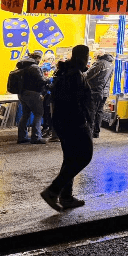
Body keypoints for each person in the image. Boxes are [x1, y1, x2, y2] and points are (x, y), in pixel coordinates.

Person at [40, 45, 94, 211]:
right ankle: (53, 190)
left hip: (62, 121)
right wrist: (84, 121)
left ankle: (66, 196)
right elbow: (76, 101)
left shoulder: (67, 71)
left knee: (70, 158)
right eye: (87, 55)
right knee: (85, 155)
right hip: (74, 122)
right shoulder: (75, 75)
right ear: (84, 56)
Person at [17, 52, 48, 144]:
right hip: (33, 93)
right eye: (40, 58)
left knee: (25, 114)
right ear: (37, 58)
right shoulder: (34, 67)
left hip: (22, 93)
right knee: (38, 113)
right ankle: (36, 137)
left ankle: (22, 137)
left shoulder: (23, 66)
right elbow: (41, 80)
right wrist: (48, 79)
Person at [84, 52, 114, 138]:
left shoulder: (100, 63)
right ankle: (96, 132)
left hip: (95, 90)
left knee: (92, 111)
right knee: (99, 111)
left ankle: (89, 131)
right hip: (104, 92)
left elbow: (87, 76)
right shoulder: (111, 65)